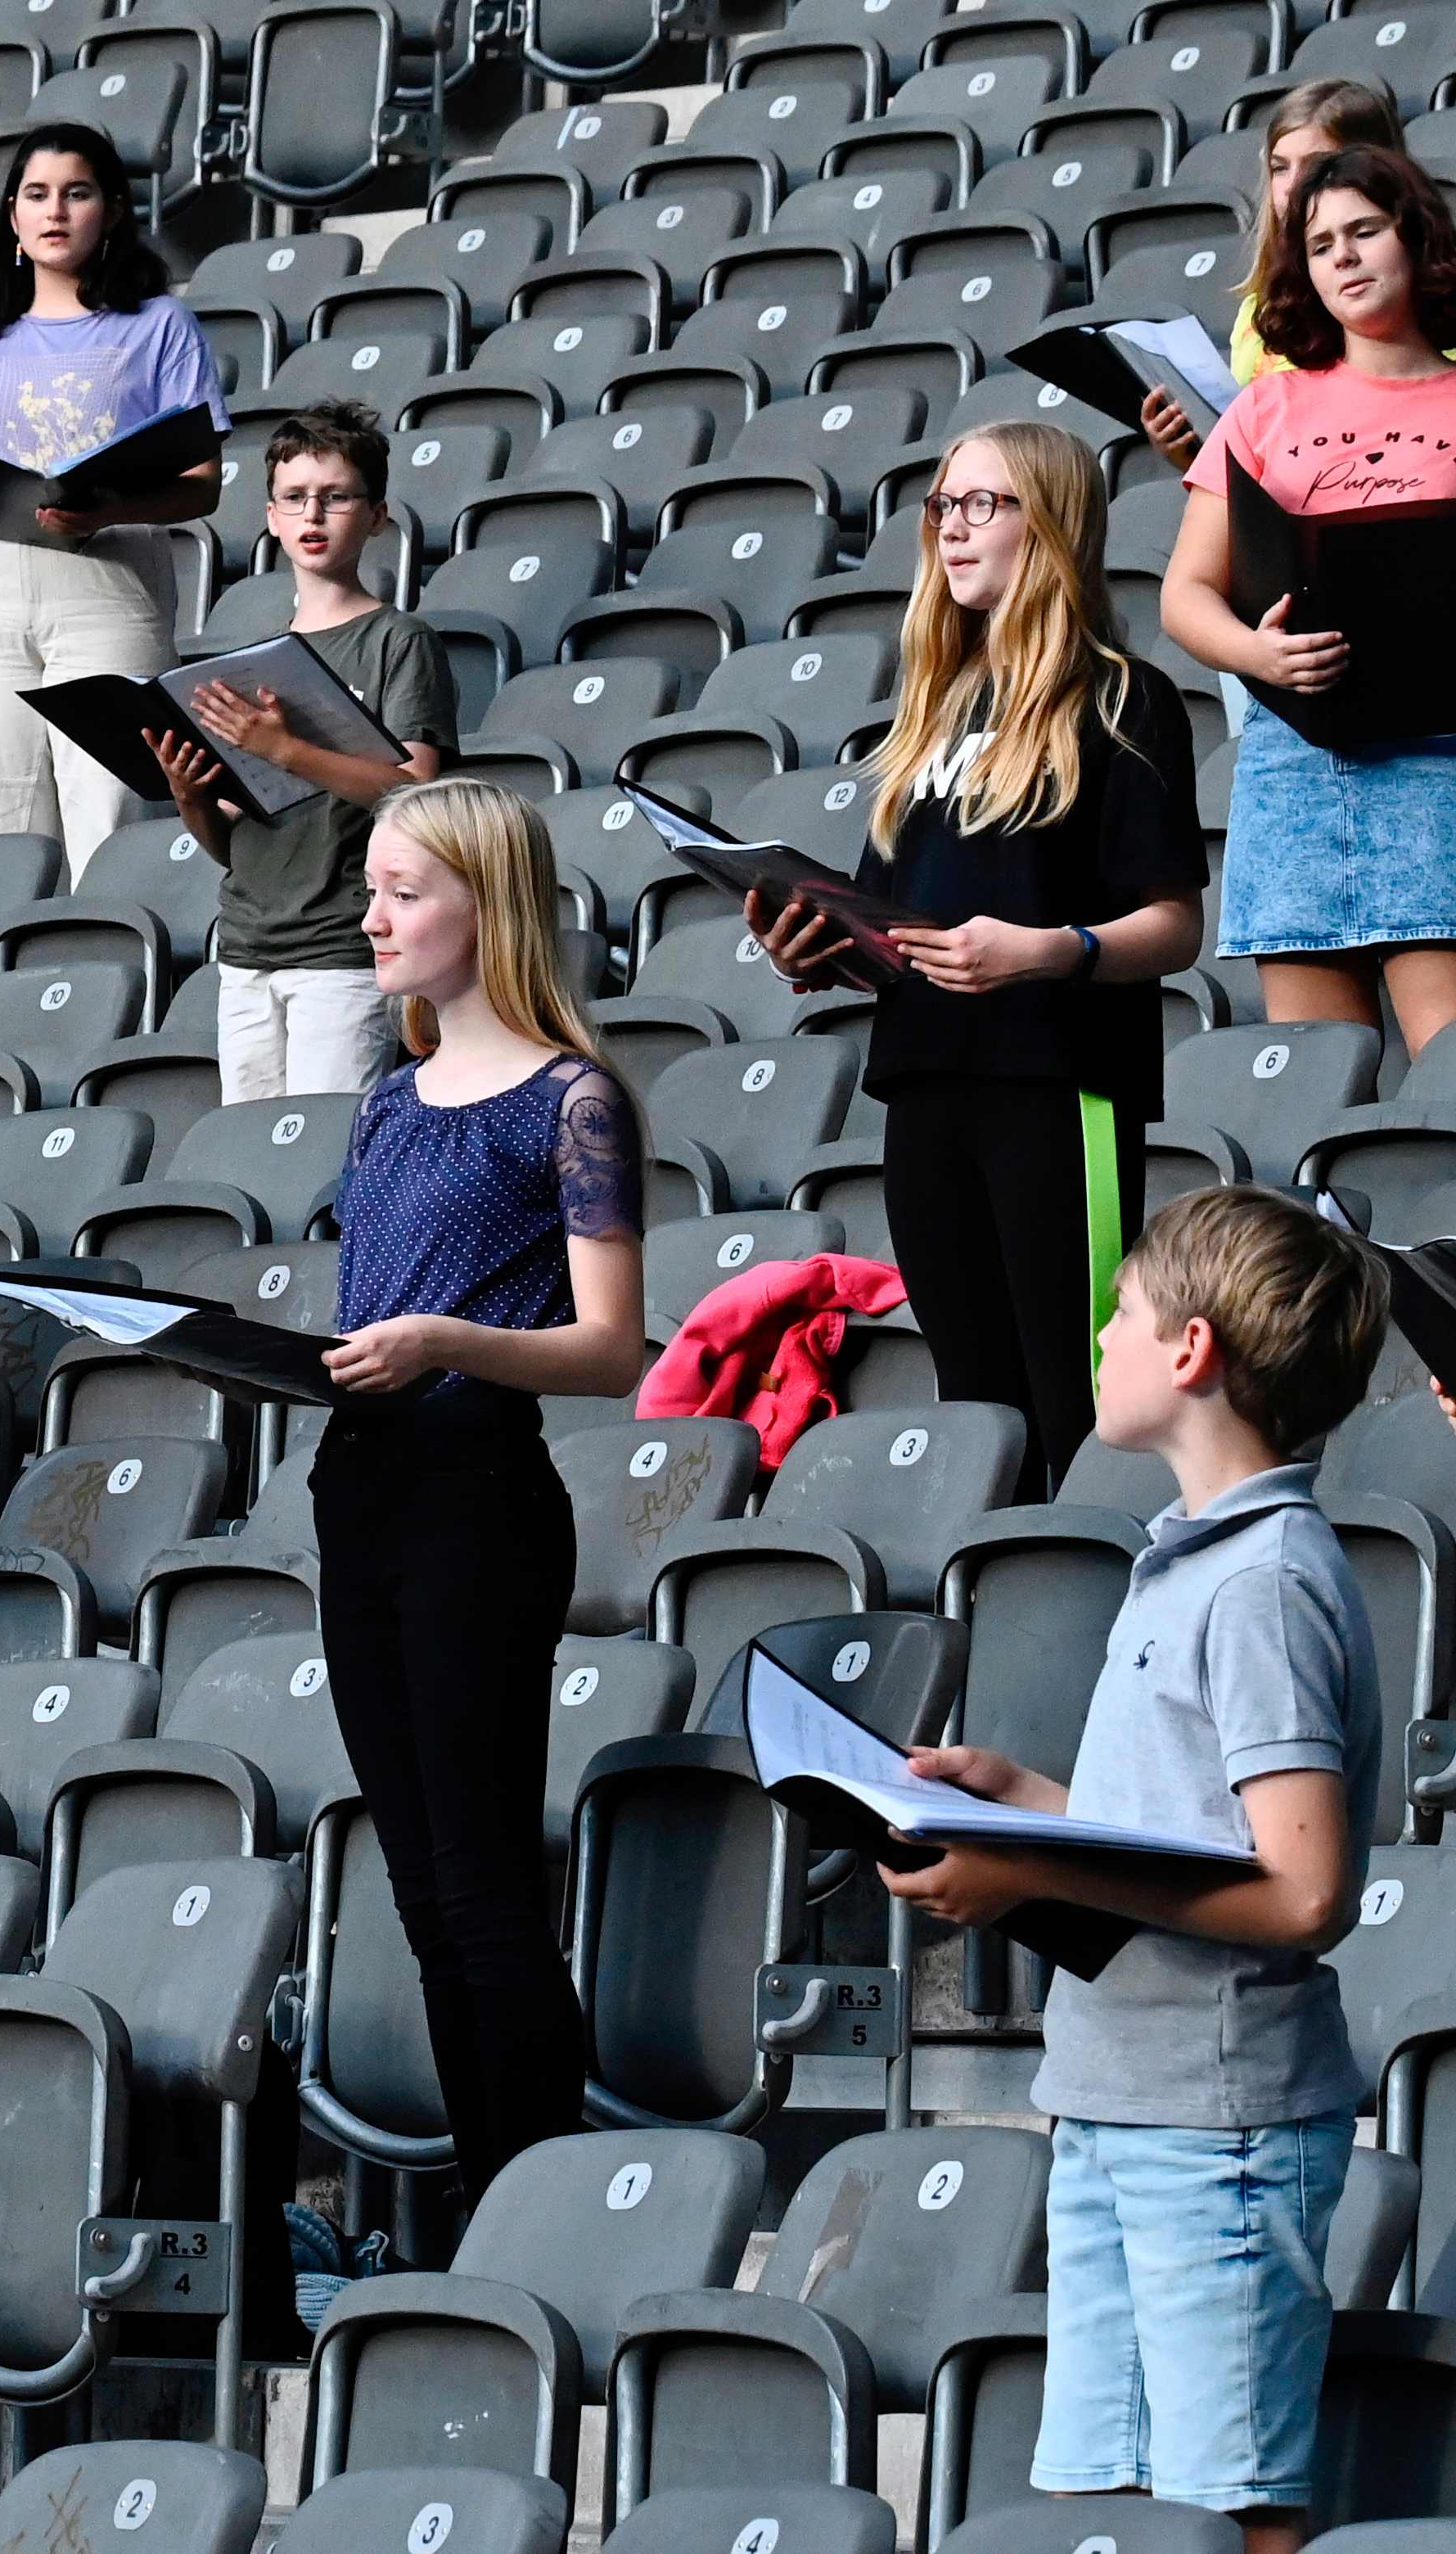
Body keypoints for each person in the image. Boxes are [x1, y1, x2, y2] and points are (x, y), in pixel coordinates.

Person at [877, 1184, 1382, 2554]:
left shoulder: (1264, 1580)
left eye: (1118, 1313)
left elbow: (1299, 1891)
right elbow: (1174, 1829)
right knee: (1100, 2506)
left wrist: (1033, 1880)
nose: (1095, 1336)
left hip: (1213, 2125)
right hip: (1116, 2098)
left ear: (1190, 1351)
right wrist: (1027, 1806)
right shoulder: (1189, 1565)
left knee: (1227, 2513)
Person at [754, 424, 1205, 1501]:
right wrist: (816, 951)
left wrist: (1051, 952)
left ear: (1047, 523)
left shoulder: (1120, 697)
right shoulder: (933, 709)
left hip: (1057, 1083)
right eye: (944, 506)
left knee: (1078, 1393)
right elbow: (895, 931)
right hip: (926, 1082)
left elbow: (1175, 925)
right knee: (977, 1404)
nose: (953, 528)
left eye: (983, 504)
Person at [316, 777, 646, 2215]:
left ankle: (538, 2210)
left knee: (479, 1884)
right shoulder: (387, 1095)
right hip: (362, 1488)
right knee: (419, 1898)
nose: (372, 916)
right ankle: (492, 2203)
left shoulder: (571, 1099)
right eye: (372, 890)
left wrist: (444, 1342)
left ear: (481, 905)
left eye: (401, 891)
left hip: (474, 1494)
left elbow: (611, 1348)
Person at [1158, 144, 1456, 1054]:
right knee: (1310, 1077)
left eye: (1365, 231)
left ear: (1416, 240)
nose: (1345, 257)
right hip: (1295, 763)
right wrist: (1257, 655)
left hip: (1442, 756)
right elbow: (1186, 593)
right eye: (1321, 245)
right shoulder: (1266, 408)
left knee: (1448, 1062)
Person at [0, 120, 229, 864]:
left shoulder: (160, 324)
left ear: (111, 209)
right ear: (11, 214)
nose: (55, 212)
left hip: (107, 577)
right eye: (37, 195)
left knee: (106, 810)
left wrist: (113, 508)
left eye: (76, 194)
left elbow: (202, 485)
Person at [142, 400, 451, 1101]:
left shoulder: (398, 641)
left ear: (376, 516)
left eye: (336, 497)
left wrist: (285, 749)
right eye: (295, 499)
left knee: (326, 1158)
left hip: (345, 947)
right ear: (272, 517)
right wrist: (191, 797)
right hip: (248, 950)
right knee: (252, 1154)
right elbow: (234, 841)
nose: (313, 515)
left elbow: (416, 793)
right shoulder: (253, 662)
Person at [1138, 79, 1412, 470]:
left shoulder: (1424, 307)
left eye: (1317, 166)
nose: (1291, 188)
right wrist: (1194, 456)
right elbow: (1254, 470)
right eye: (1280, 169)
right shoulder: (1258, 315)